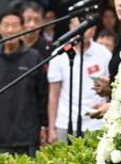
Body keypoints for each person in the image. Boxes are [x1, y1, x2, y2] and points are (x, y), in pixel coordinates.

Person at [0, 9, 48, 156]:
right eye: (6, 25)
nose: (10, 30)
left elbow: (42, 95)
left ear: (22, 28)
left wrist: (44, 126)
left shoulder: (34, 57)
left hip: (28, 137)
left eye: (15, 25)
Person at [48, 13, 112, 142]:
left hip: (96, 124)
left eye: (85, 28)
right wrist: (51, 128)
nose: (80, 32)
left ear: (93, 30)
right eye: (77, 27)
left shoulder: (104, 53)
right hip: (65, 122)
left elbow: (111, 88)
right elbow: (53, 95)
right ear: (70, 28)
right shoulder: (60, 53)